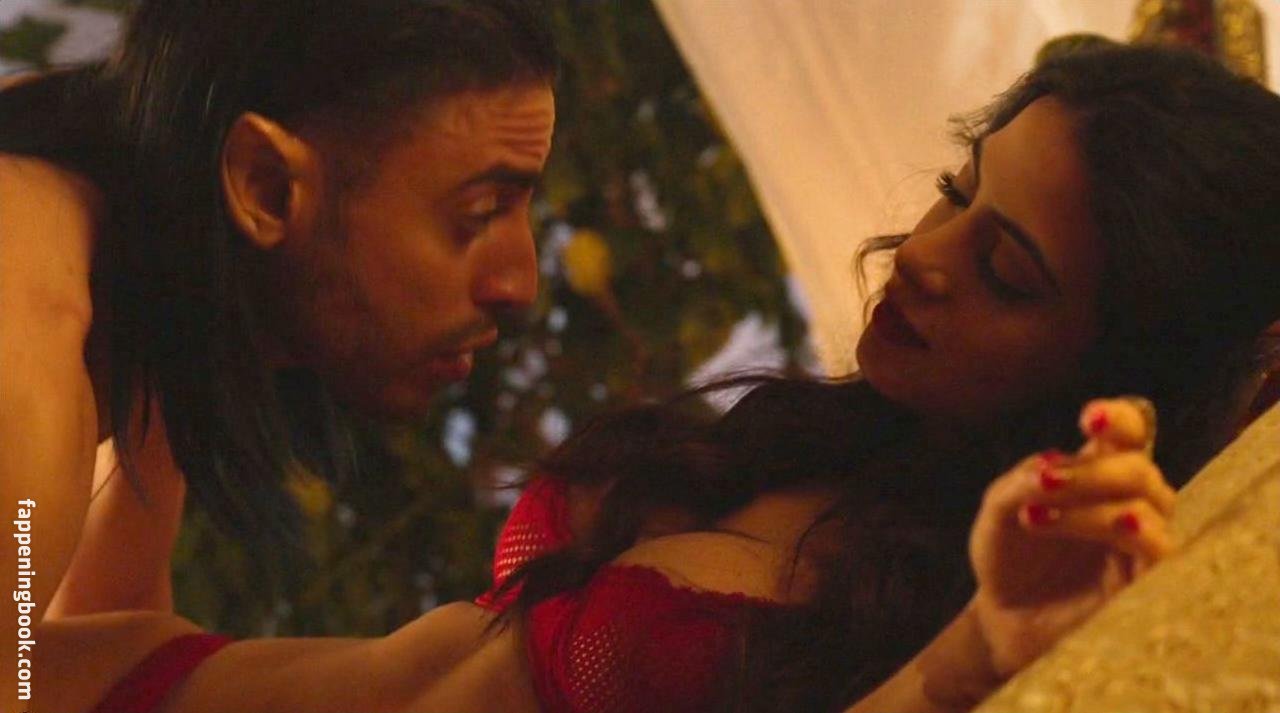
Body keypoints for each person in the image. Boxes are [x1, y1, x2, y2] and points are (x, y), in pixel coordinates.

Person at [33, 40, 1280, 713]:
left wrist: (965, 661)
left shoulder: (989, 607)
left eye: (1003, 269)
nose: (922, 253)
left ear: (1112, 366)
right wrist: (162, 355)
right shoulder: (801, 444)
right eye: (956, 190)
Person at [1, 0, 554, 709]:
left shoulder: (147, 253)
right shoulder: (27, 376)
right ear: (264, 184)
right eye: (477, 215)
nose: (520, 283)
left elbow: (103, 616)